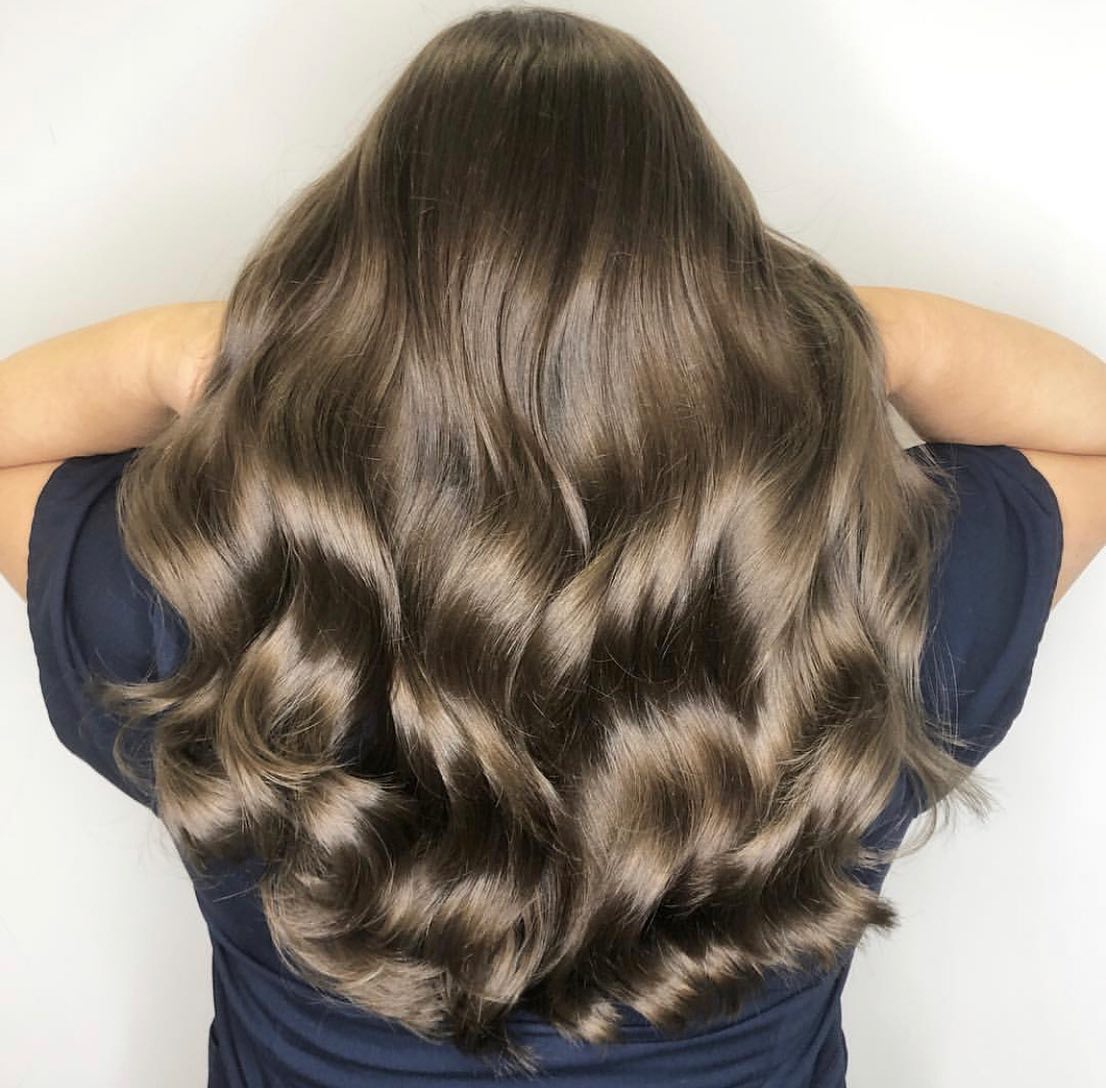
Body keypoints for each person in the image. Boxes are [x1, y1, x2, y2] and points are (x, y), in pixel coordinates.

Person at [3, 6, 1104, 1087]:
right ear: (715, 299)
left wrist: (196, 355)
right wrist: (833, 337)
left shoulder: (197, 607)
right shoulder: (874, 608)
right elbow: (1086, 435)